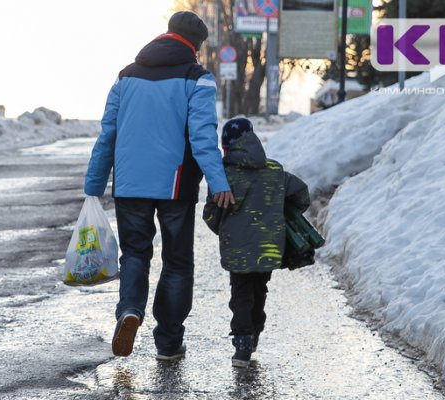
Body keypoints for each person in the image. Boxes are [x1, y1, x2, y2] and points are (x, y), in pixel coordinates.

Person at [84, 10, 235, 361]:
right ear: (196, 45)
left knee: (135, 253)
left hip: (130, 184)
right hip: (175, 184)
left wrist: (94, 183)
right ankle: (168, 341)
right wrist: (218, 182)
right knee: (177, 262)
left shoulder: (126, 77)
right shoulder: (196, 78)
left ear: (166, 34)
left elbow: (108, 134)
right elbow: (202, 139)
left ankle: (130, 311)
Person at [202, 117, 311, 368]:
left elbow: (210, 214)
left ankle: (242, 343)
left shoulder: (224, 175)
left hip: (237, 247)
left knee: (240, 293)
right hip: (269, 246)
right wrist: (282, 214)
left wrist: (224, 228)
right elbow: (301, 194)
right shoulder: (275, 170)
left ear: (226, 147)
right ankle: (255, 332)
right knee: (259, 289)